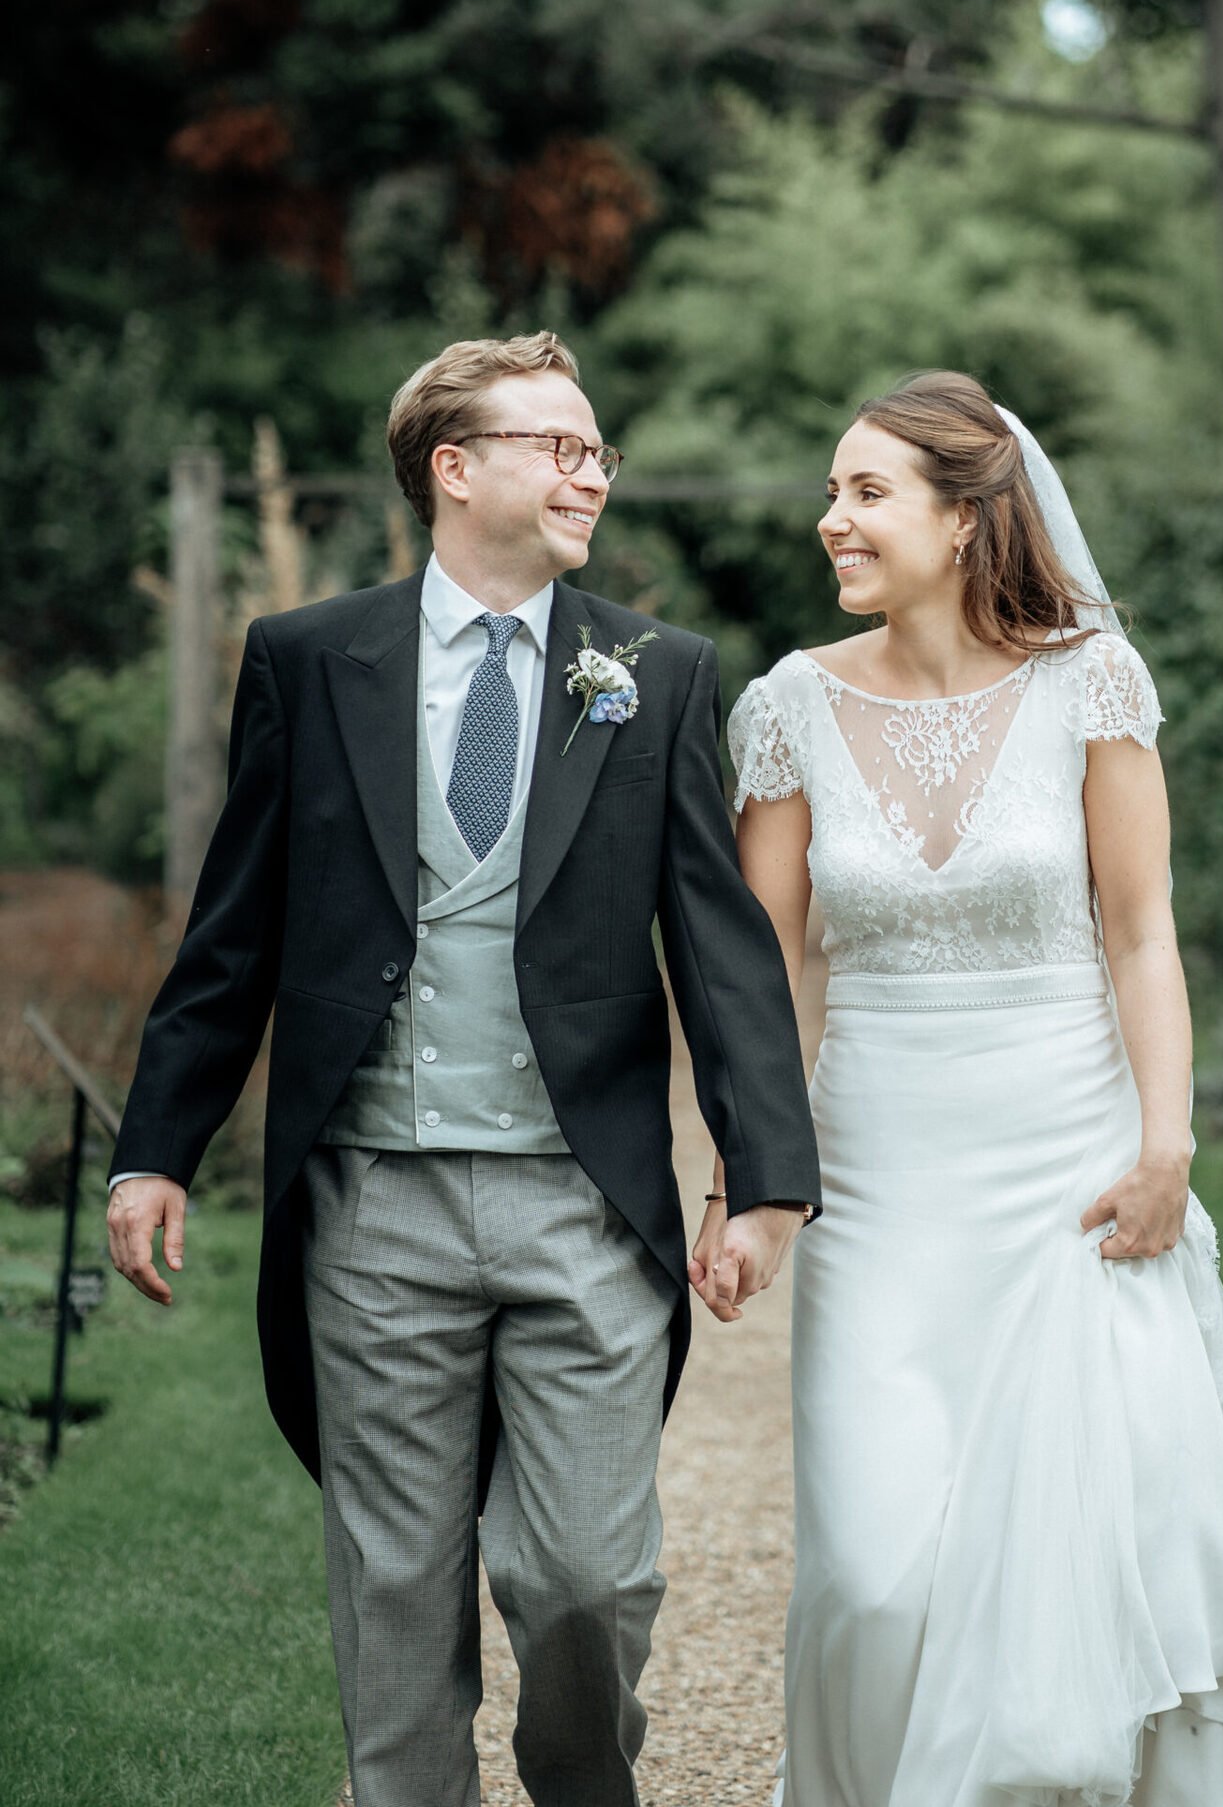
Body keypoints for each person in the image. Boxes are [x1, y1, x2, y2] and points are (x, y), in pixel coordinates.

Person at [106, 331, 820, 1807]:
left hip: (583, 1200)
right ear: (456, 467)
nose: (592, 473)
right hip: (374, 1204)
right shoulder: (312, 661)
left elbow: (721, 941)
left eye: (599, 452)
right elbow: (235, 925)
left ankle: (581, 1789)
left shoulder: (657, 673)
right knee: (393, 1598)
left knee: (585, 1577)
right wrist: (154, 1146)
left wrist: (763, 1182)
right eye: (560, 447)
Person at [698, 370, 1223, 1807]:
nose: (829, 521)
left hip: (1067, 1177)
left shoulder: (1089, 682)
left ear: (968, 521)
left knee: (1081, 1573)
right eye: (831, 491)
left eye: (865, 493)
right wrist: (747, 1185)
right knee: (872, 1576)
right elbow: (762, 976)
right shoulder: (789, 705)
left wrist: (1169, 1148)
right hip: (878, 1184)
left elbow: (1140, 932)